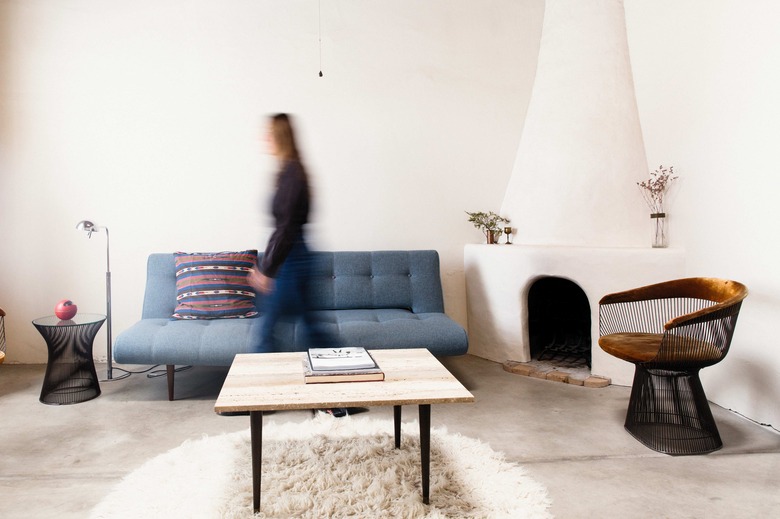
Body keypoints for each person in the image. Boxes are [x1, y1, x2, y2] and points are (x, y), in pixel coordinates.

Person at [248, 114, 337, 358]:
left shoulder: (292, 174)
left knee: (266, 331)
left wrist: (267, 270)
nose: (264, 138)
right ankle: (342, 366)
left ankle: (262, 386)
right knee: (311, 328)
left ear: (280, 136)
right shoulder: (289, 172)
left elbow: (286, 228)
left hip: (293, 259)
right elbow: (282, 227)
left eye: (269, 133)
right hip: (295, 255)